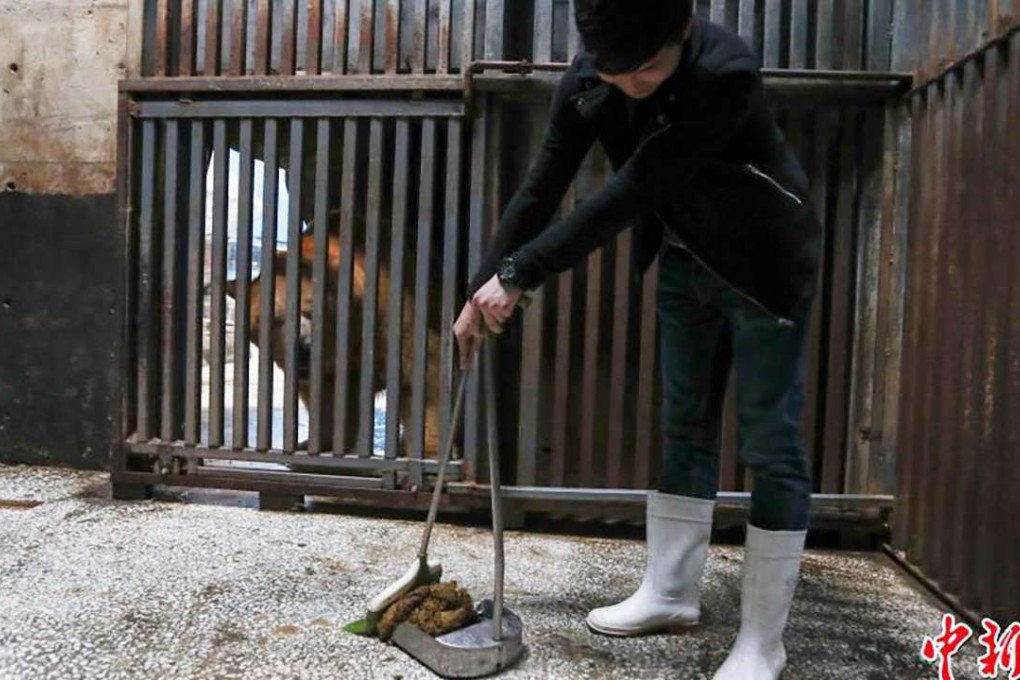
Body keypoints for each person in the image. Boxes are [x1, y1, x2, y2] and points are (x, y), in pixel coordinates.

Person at [452, 0, 822, 677]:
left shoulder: (725, 71)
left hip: (764, 264)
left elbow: (634, 188)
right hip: (686, 261)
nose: (628, 85)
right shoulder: (596, 73)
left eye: (646, 70)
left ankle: (763, 642)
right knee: (683, 426)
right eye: (613, 72)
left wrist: (523, 273)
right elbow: (542, 187)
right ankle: (671, 594)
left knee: (770, 440)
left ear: (681, 31)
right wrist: (483, 289)